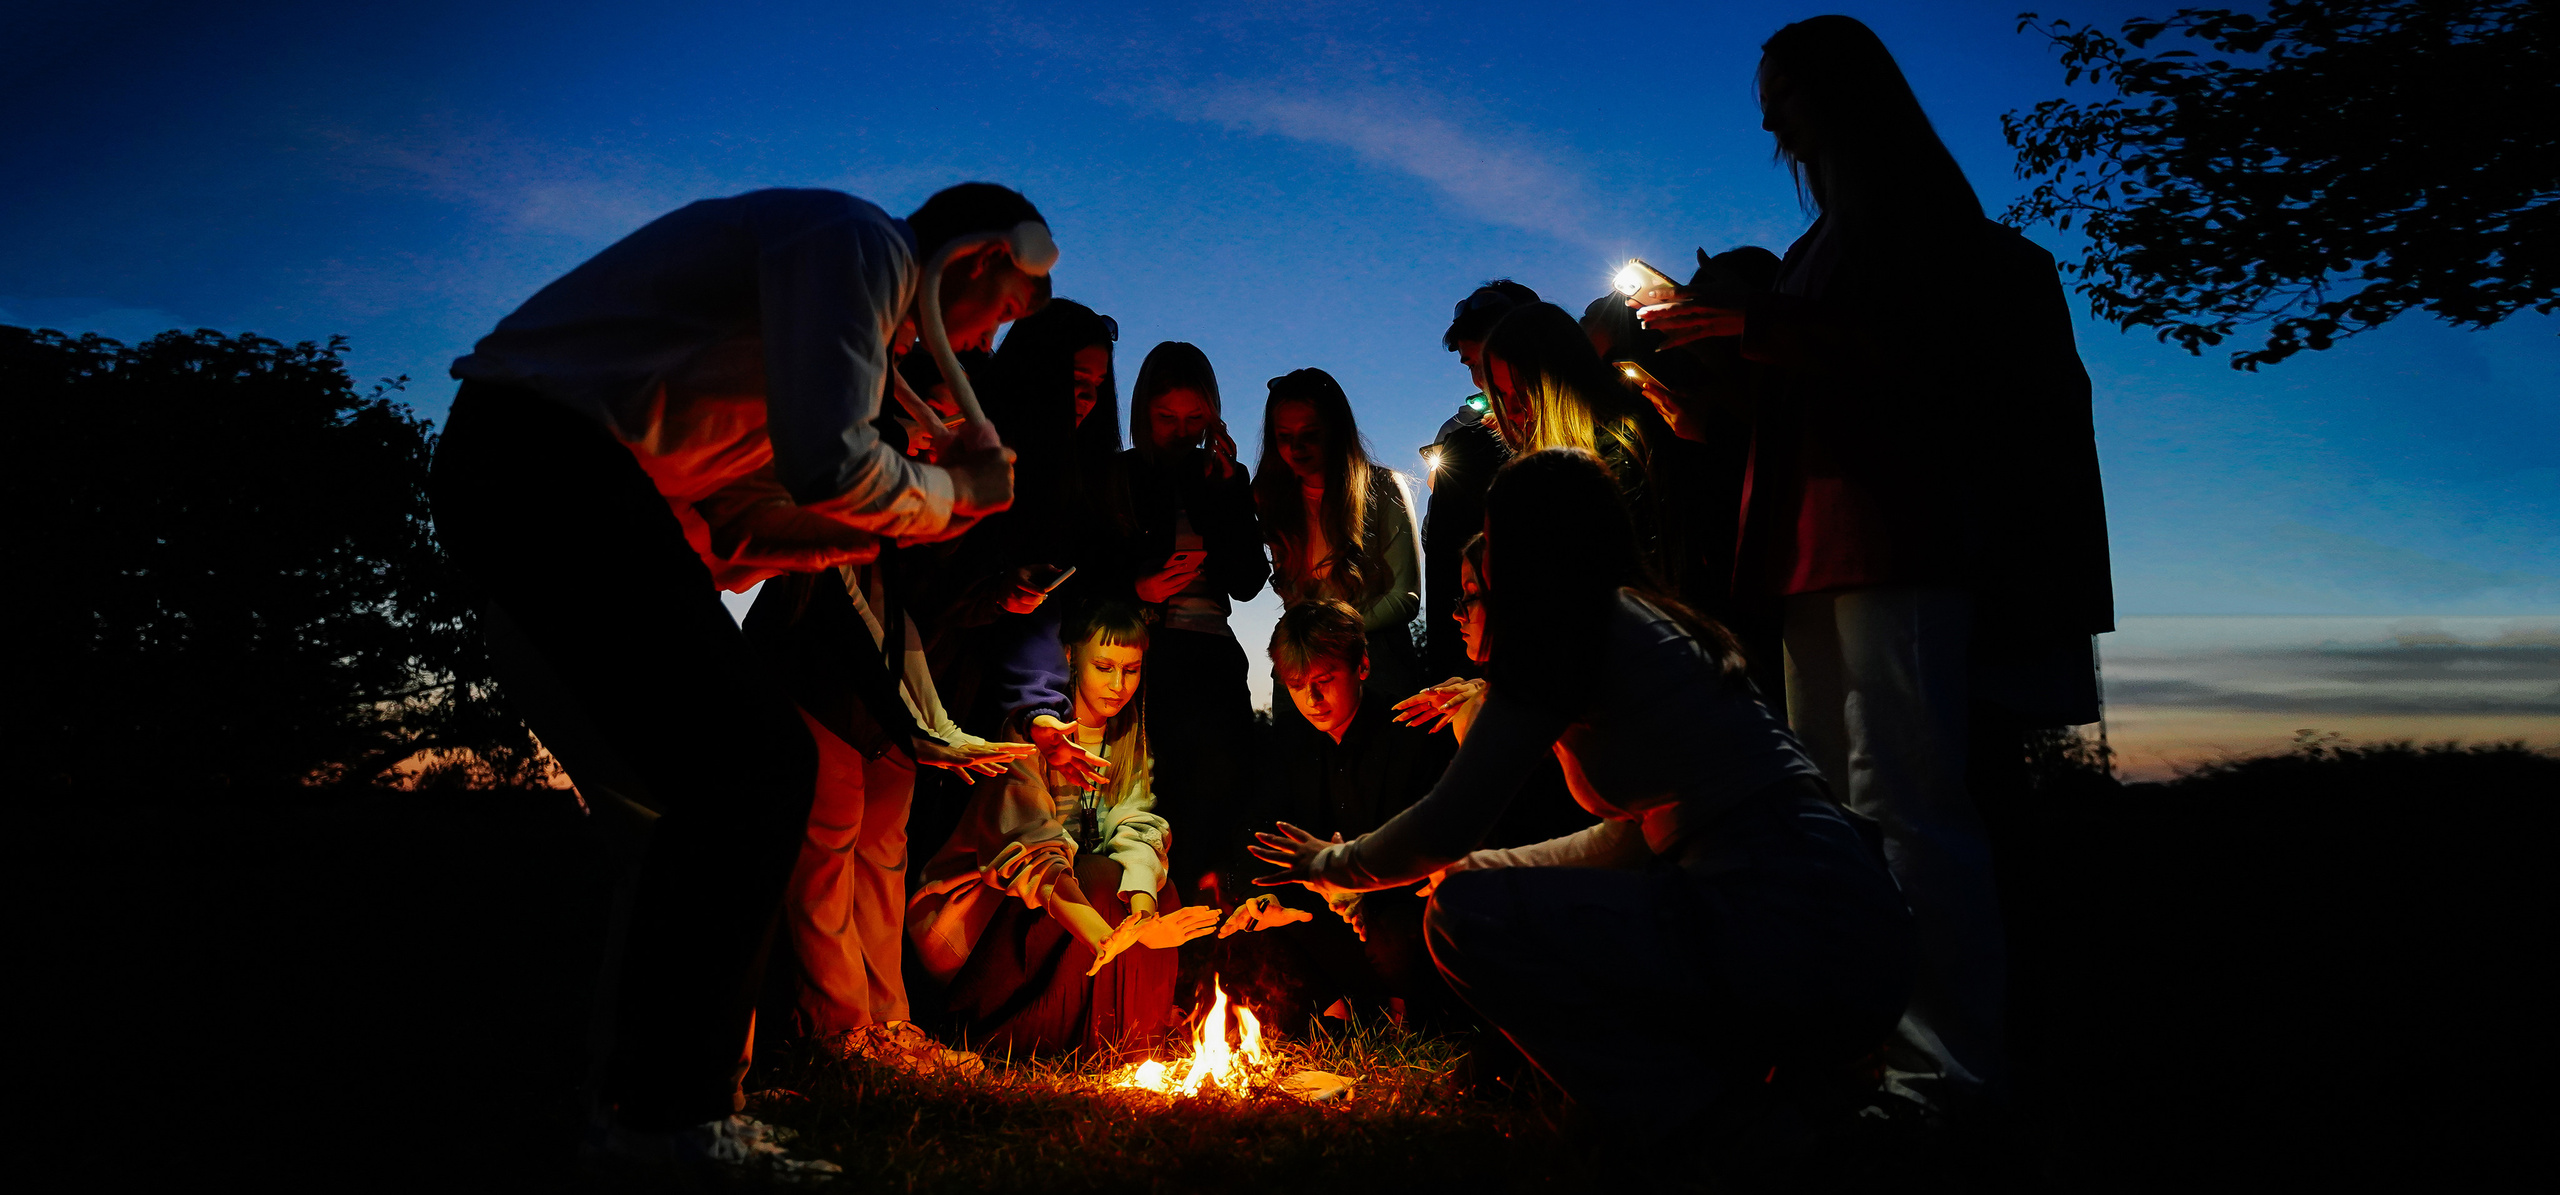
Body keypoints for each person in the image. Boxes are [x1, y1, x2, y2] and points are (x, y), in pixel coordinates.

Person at [431, 182, 1052, 1170]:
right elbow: (830, 467)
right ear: (976, 260)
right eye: (1001, 312)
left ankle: (637, 1103)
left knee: (714, 784)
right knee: (757, 762)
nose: (981, 346)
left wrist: (938, 510)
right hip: (538, 455)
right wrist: (943, 493)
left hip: (558, 472)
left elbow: (738, 526)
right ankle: (668, 1120)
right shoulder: (859, 245)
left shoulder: (835, 337)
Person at [1635, 14, 2114, 1115]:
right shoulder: (1827, 238)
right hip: (1818, 542)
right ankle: (1856, 1039)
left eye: (1785, 93)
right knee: (1836, 810)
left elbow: (1922, 362)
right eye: (1765, 100)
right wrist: (1716, 391)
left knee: (1908, 795)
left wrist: (1756, 330)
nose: (1769, 120)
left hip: (1896, 536)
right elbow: (1822, 387)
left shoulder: (1918, 219)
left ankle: (1947, 1067)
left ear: (1845, 94)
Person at [1252, 448, 1915, 1157]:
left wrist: (1334, 860)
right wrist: (1485, 865)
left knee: (1461, 920)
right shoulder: (1644, 622)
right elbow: (1630, 839)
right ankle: (1759, 1104)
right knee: (1478, 889)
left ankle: (1706, 1123)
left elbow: (1449, 816)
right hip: (1852, 926)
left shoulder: (1566, 631)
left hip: (1792, 926)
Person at [743, 560, 1034, 1074]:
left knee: (883, 854)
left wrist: (932, 725)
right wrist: (930, 728)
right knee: (827, 850)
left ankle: (889, 1025)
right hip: (819, 673)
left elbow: (906, 625)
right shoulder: (860, 531)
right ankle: (841, 1030)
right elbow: (863, 608)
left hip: (903, 694)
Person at [907, 600, 1221, 1054]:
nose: (1118, 686)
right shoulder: (1031, 731)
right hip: (987, 920)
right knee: (1095, 877)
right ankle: (1043, 1040)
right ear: (1071, 657)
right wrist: (1113, 936)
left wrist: (1144, 916)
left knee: (1156, 888)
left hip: (1066, 905)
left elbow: (1135, 825)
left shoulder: (1127, 736)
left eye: (1131, 671)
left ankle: (1131, 1045)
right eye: (1105, 667)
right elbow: (1031, 855)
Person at [1245, 599, 1457, 1030]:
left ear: (1362, 666)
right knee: (1256, 925)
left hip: (1396, 908)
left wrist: (1364, 885)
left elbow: (1429, 845)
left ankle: (1401, 1012)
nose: (1312, 699)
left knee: (1398, 934)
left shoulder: (1409, 731)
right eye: (1296, 684)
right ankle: (1339, 1010)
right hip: (1325, 912)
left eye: (1325, 680)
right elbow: (1265, 829)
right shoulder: (1289, 741)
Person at [1114, 341, 1268, 897]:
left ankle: (1216, 934)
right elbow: (1094, 572)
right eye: (1166, 419)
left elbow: (1249, 580)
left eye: (1194, 419)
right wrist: (1141, 589)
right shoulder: (1124, 476)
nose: (1181, 432)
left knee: (1222, 794)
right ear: (1142, 414)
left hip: (1213, 651)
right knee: (1160, 797)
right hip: (1151, 655)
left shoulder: (1222, 474)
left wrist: (1228, 495)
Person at [1253, 367, 1423, 713]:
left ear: (1336, 431)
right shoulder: (1275, 500)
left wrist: (1332, 632)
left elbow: (1406, 597)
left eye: (1310, 435)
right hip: (1302, 665)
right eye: (1284, 437)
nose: (1296, 448)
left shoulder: (1382, 487)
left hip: (1375, 664)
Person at [1477, 301, 1676, 580]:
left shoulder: (1618, 446)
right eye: (1501, 393)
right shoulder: (1539, 466)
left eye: (1524, 390)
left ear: (1560, 381)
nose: (1511, 411)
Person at [1422, 281, 1536, 680]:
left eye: (1490, 359)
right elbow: (1443, 572)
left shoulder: (1605, 437)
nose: (1484, 378)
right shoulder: (1468, 452)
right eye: (1473, 366)